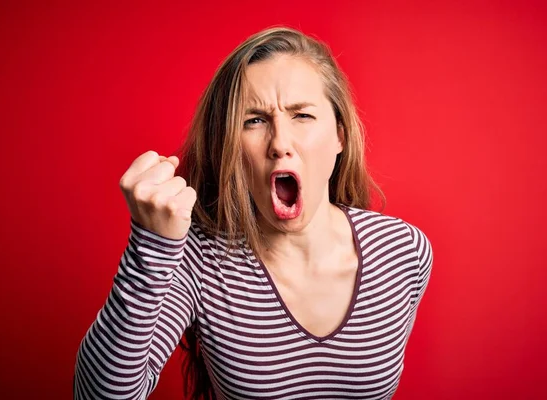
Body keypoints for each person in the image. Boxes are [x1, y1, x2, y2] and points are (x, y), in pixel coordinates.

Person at [74, 26, 433, 400]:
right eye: (254, 120)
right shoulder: (199, 261)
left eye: (302, 116)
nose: (279, 143)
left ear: (339, 136)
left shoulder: (404, 252)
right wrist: (150, 249)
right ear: (231, 147)